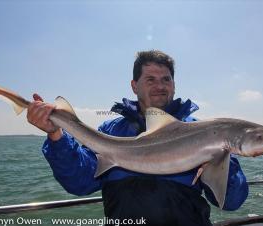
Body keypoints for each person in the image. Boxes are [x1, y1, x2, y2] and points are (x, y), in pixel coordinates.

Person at [27, 50, 248, 226]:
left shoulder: (202, 131)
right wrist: (56, 135)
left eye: (166, 79)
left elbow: (231, 202)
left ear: (174, 84)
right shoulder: (111, 131)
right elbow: (79, 183)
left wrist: (222, 157)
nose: (160, 86)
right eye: (150, 79)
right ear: (134, 86)